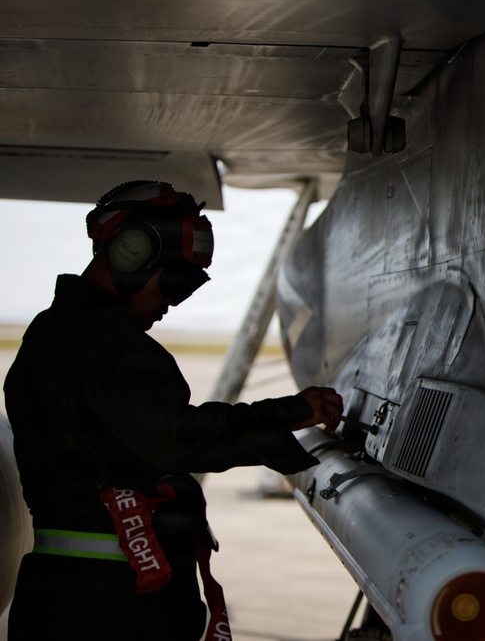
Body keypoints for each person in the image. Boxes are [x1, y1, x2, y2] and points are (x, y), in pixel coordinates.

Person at [3, 180, 343, 640]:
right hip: (113, 606)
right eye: (172, 285)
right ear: (131, 255)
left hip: (68, 597)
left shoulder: (49, 335)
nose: (171, 305)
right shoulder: (105, 346)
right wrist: (284, 415)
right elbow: (175, 437)